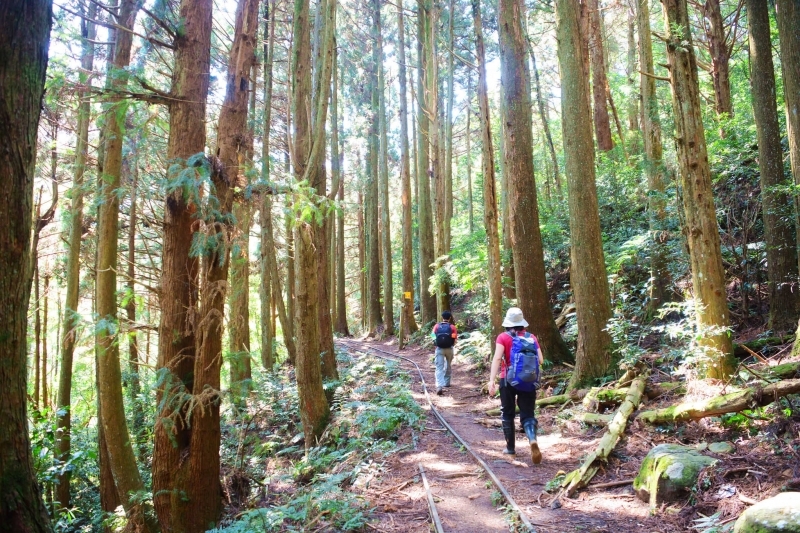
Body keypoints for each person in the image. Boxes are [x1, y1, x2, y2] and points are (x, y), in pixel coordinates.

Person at [487, 307, 543, 464]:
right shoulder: (530, 337)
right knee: (528, 414)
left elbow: (497, 358)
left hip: (507, 380)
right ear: (521, 322)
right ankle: (532, 438)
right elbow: (540, 360)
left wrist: (492, 380)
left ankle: (510, 449)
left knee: (507, 413)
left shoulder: (503, 337)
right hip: (528, 381)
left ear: (508, 322)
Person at [431, 310, 457, 396]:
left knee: (439, 367)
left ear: (442, 317)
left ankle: (439, 386)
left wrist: (436, 344)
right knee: (448, 365)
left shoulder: (437, 326)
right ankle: (447, 382)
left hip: (439, 349)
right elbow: (454, 339)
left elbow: (433, 336)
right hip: (449, 348)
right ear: (449, 318)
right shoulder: (452, 327)